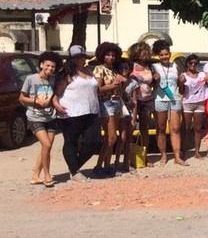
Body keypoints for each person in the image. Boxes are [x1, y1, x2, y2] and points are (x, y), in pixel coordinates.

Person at [52, 45, 102, 181]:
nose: (80, 59)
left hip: (91, 111)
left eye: (82, 56)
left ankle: (74, 166)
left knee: (94, 141)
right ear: (72, 59)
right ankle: (75, 172)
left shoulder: (90, 71)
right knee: (71, 141)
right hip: (71, 113)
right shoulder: (67, 74)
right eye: (77, 57)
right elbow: (56, 94)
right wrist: (57, 106)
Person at [20, 51, 60, 187]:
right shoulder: (31, 79)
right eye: (47, 65)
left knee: (46, 147)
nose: (50, 68)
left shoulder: (53, 79)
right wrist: (36, 102)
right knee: (46, 145)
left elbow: (55, 94)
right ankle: (47, 175)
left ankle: (35, 175)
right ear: (42, 64)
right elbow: (22, 98)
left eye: (53, 66)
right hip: (35, 117)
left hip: (50, 116)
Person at [91, 42, 124, 177]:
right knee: (111, 137)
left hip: (116, 103)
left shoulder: (114, 70)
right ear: (102, 55)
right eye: (108, 55)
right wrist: (114, 84)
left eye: (113, 55)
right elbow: (99, 89)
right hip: (106, 103)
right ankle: (98, 166)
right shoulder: (99, 69)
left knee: (112, 138)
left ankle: (107, 166)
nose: (110, 58)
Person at [152, 40, 186, 166]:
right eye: (161, 55)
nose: (164, 57)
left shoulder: (175, 66)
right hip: (160, 99)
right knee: (160, 128)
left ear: (170, 54)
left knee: (176, 128)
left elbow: (180, 84)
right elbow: (151, 84)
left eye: (166, 54)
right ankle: (163, 156)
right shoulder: (154, 67)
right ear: (158, 56)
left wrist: (182, 81)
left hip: (174, 98)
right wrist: (155, 80)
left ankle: (177, 157)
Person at [128, 41, 155, 166]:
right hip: (133, 100)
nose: (144, 55)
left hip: (147, 99)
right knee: (130, 127)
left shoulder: (150, 67)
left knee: (145, 128)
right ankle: (128, 157)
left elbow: (153, 82)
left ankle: (145, 156)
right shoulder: (130, 66)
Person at [180, 54, 207, 160]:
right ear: (187, 64)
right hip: (187, 103)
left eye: (195, 63)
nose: (193, 65)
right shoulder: (184, 76)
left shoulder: (201, 75)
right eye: (191, 63)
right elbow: (181, 91)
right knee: (186, 128)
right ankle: (184, 151)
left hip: (200, 103)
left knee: (198, 128)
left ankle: (197, 151)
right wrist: (181, 83)